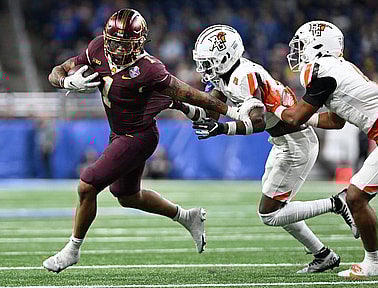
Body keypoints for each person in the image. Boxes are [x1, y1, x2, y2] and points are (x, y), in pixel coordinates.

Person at [42, 9, 239, 273]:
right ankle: (187, 217)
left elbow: (192, 95)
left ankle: (72, 249)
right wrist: (68, 80)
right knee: (127, 197)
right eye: (112, 42)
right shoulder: (98, 48)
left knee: (87, 185)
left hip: (139, 136)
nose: (115, 48)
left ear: (139, 43)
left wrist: (233, 111)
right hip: (120, 133)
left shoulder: (149, 69)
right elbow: (56, 71)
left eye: (124, 44)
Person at [182, 24, 358, 274]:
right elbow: (210, 112)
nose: (204, 68)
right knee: (279, 207)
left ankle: (337, 202)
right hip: (283, 143)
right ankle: (323, 254)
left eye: (208, 62)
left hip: (296, 143)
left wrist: (222, 130)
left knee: (270, 214)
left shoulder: (244, 75)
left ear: (225, 57)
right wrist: (180, 105)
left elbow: (257, 122)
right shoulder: (225, 76)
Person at [272, 20, 378, 277]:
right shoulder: (335, 68)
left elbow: (295, 117)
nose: (296, 51)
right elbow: (336, 120)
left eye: (301, 45)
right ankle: (374, 262)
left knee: (355, 197)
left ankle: (374, 263)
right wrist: (300, 116)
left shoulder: (322, 69)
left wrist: (272, 106)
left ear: (317, 46)